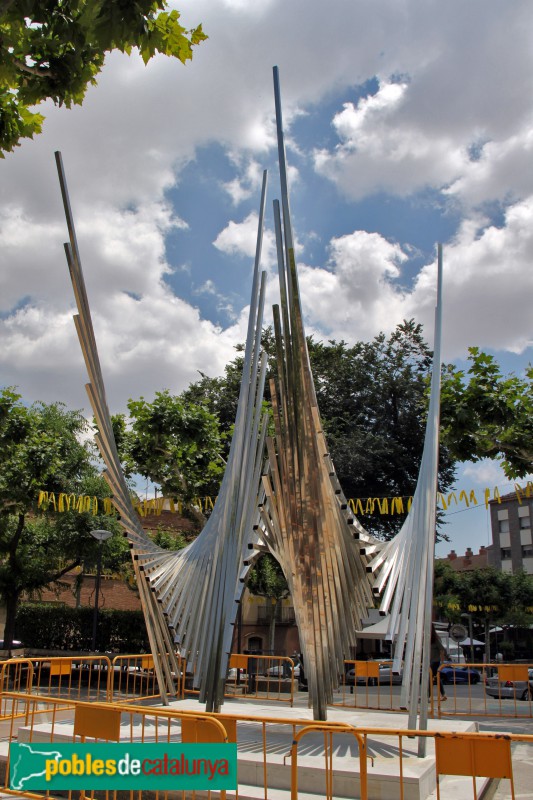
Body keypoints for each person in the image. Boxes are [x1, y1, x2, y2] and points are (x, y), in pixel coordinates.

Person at [430, 627, 447, 701]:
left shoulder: (435, 639)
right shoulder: (428, 639)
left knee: (429, 678)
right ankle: (443, 694)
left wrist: (443, 660)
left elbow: (442, 649)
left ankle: (427, 695)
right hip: (430, 661)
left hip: (435, 661)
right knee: (436, 678)